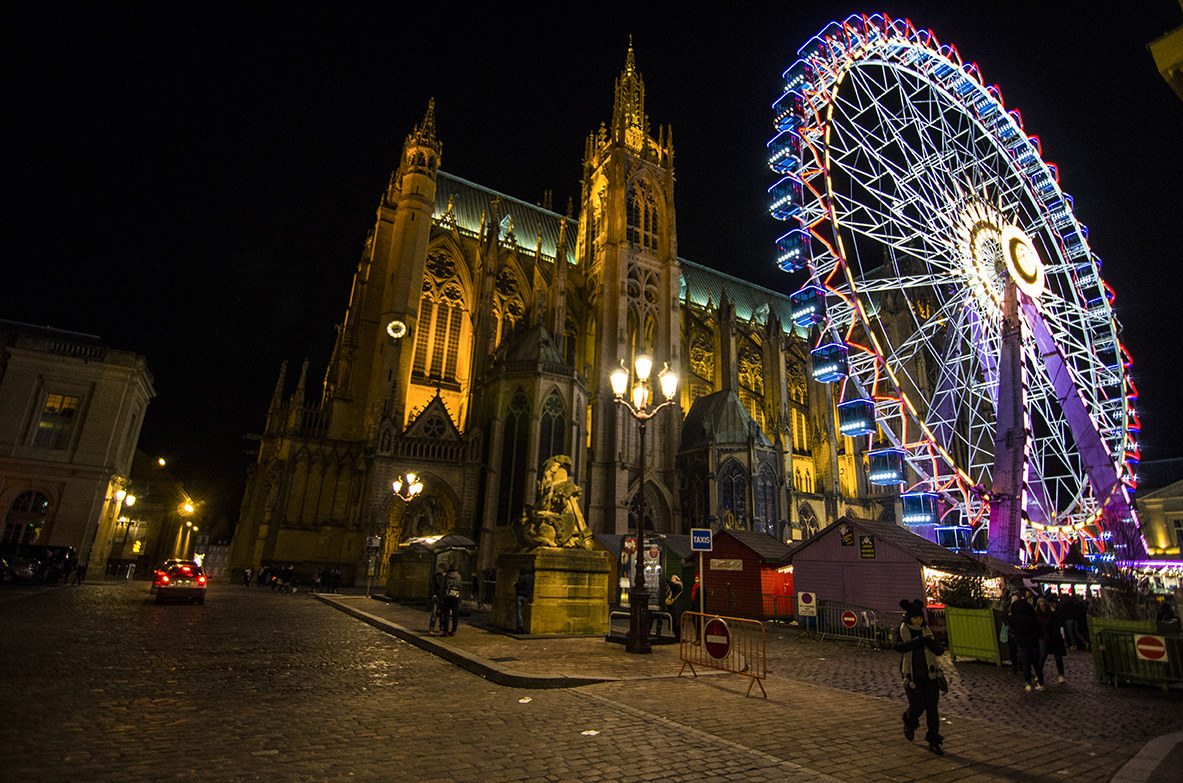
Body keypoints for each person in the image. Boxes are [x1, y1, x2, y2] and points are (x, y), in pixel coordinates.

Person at [894, 599, 945, 755]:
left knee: (932, 709)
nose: (918, 621)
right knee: (917, 706)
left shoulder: (927, 631)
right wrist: (917, 642)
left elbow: (939, 651)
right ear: (909, 618)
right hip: (912, 675)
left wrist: (929, 642)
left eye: (920, 618)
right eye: (915, 618)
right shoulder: (901, 630)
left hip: (930, 675)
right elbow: (898, 647)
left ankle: (934, 741)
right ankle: (909, 721)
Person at [1010, 591, 1044, 691]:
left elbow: (1013, 630)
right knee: (1036, 663)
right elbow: (1038, 630)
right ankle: (1040, 683)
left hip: (1022, 643)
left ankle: (1028, 683)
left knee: (1026, 663)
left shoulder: (1015, 619)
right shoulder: (1033, 618)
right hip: (1033, 642)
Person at [1036, 597, 1067, 684]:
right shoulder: (1037, 615)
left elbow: (1061, 620)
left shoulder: (1052, 614)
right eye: (1040, 605)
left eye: (1043, 605)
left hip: (1054, 637)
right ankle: (1039, 674)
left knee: (1057, 657)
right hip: (1043, 637)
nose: (1042, 607)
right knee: (1042, 656)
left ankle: (1061, 674)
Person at [440, 563, 462, 636]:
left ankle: (445, 631)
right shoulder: (458, 576)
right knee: (455, 614)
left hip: (447, 596)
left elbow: (444, 586)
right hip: (455, 596)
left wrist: (443, 595)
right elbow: (460, 586)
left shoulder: (447, 576)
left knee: (446, 614)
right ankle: (453, 630)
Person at [514, 566, 534, 634]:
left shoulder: (522, 577)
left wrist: (515, 584)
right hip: (526, 595)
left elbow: (519, 585)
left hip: (520, 595)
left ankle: (520, 627)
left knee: (518, 612)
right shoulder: (532, 577)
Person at [664, 574, 684, 641]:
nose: (672, 579)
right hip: (672, 607)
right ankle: (676, 636)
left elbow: (672, 585)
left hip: (676, 607)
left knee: (676, 623)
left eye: (673, 578)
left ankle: (678, 637)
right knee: (673, 623)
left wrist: (665, 578)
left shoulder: (678, 586)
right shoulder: (671, 588)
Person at [429, 563, 447, 633]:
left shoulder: (446, 577)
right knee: (434, 612)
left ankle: (441, 627)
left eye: (439, 568)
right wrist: (433, 594)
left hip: (443, 597)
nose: (438, 569)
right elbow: (433, 585)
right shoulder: (437, 576)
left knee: (442, 613)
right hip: (437, 595)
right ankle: (432, 627)